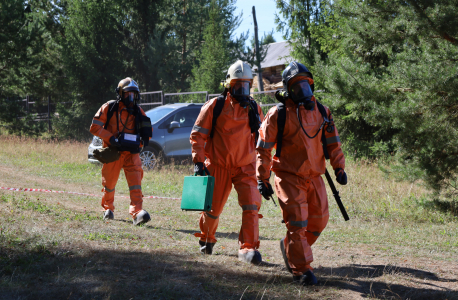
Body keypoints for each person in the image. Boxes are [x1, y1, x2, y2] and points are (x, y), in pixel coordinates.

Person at [256, 62, 347, 285]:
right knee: (297, 223)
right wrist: (262, 177)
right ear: (288, 90)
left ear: (311, 86)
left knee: (319, 221)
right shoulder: (278, 114)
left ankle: (289, 247)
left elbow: (333, 142)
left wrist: (339, 167)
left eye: (305, 86)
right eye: (297, 88)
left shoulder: (322, 112)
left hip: (315, 176)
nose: (302, 92)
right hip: (288, 177)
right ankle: (301, 270)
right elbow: (264, 148)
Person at [190, 60, 264, 264]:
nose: (242, 90)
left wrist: (263, 169)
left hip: (246, 168)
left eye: (246, 85)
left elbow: (263, 140)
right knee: (212, 209)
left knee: (251, 206)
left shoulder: (254, 108)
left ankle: (248, 248)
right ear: (229, 85)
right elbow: (198, 135)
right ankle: (207, 238)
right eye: (238, 85)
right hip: (218, 165)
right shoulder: (215, 106)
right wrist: (198, 161)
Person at [90, 77, 152, 226]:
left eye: (133, 94)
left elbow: (147, 131)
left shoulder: (138, 111)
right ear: (120, 93)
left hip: (132, 154)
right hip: (114, 152)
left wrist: (141, 143)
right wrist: (111, 139)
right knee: (109, 183)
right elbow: (95, 127)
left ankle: (137, 212)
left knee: (136, 183)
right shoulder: (109, 108)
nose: (130, 98)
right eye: (127, 94)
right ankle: (108, 209)